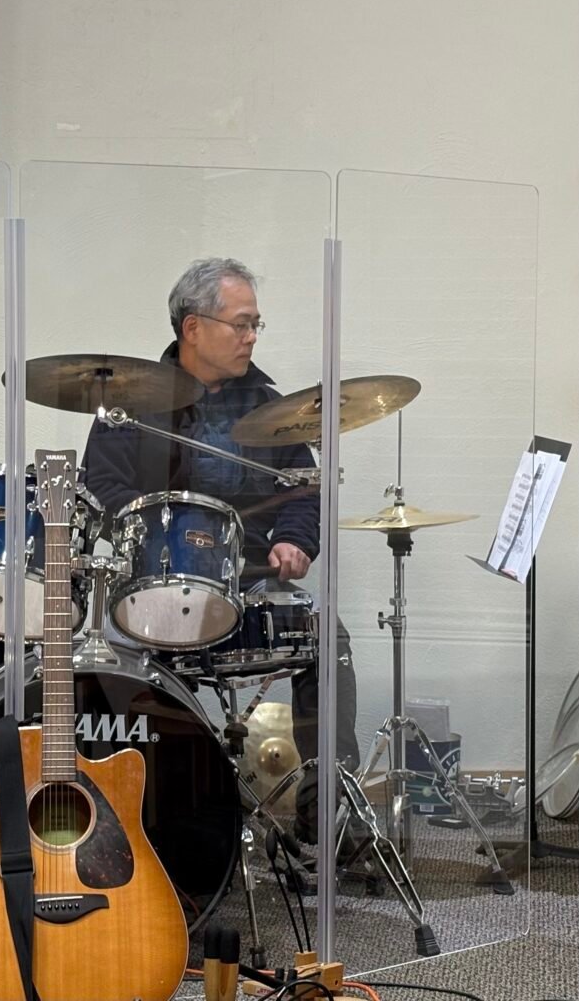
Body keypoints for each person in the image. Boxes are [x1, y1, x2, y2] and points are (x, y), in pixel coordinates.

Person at [82, 257, 358, 842]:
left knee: (326, 638)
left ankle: (329, 813)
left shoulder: (268, 406)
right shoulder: (131, 401)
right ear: (193, 327)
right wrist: (152, 528)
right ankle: (128, 813)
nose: (252, 336)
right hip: (151, 581)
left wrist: (294, 539)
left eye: (256, 324)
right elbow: (102, 486)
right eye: (241, 323)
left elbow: (303, 488)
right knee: (101, 663)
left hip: (248, 579)